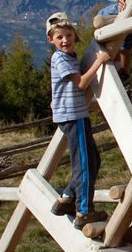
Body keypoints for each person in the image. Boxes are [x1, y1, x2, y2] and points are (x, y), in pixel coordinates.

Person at [46, 12, 110, 230]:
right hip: (74, 116)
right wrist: (99, 61)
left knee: (93, 160)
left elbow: (63, 85)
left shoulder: (69, 57)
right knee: (83, 163)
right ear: (51, 40)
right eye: (60, 37)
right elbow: (81, 83)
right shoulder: (61, 58)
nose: (65, 41)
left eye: (69, 35)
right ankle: (84, 211)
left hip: (75, 114)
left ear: (75, 36)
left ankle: (66, 197)